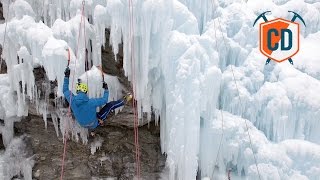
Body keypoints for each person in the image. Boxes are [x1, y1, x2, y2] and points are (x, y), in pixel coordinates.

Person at [63, 67, 132, 130]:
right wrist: (106, 89)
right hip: (93, 123)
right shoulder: (91, 102)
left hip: (82, 124)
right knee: (110, 106)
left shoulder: (72, 100)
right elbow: (104, 100)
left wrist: (66, 76)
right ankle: (124, 101)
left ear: (77, 91)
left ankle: (93, 129)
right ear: (86, 91)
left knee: (83, 111)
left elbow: (65, 90)